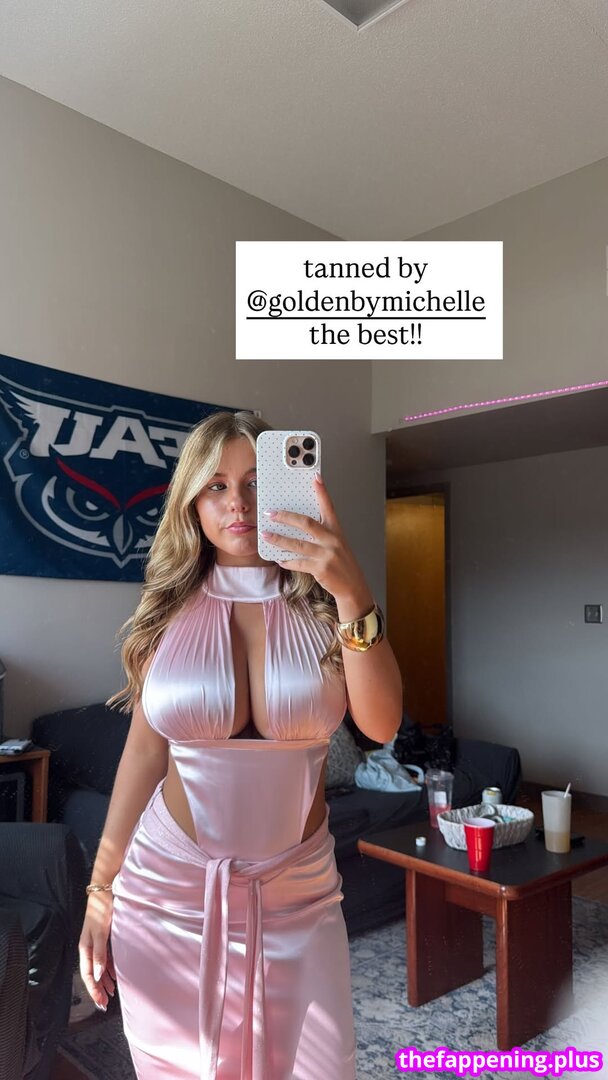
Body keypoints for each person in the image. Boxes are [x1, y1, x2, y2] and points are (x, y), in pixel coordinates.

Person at [78, 410, 402, 1079]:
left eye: (257, 482)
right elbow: (144, 754)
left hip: (300, 898)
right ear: (192, 503)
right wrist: (101, 891)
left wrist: (352, 589)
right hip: (166, 897)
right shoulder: (167, 613)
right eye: (217, 486)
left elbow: (382, 726)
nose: (239, 504)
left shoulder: (326, 605)